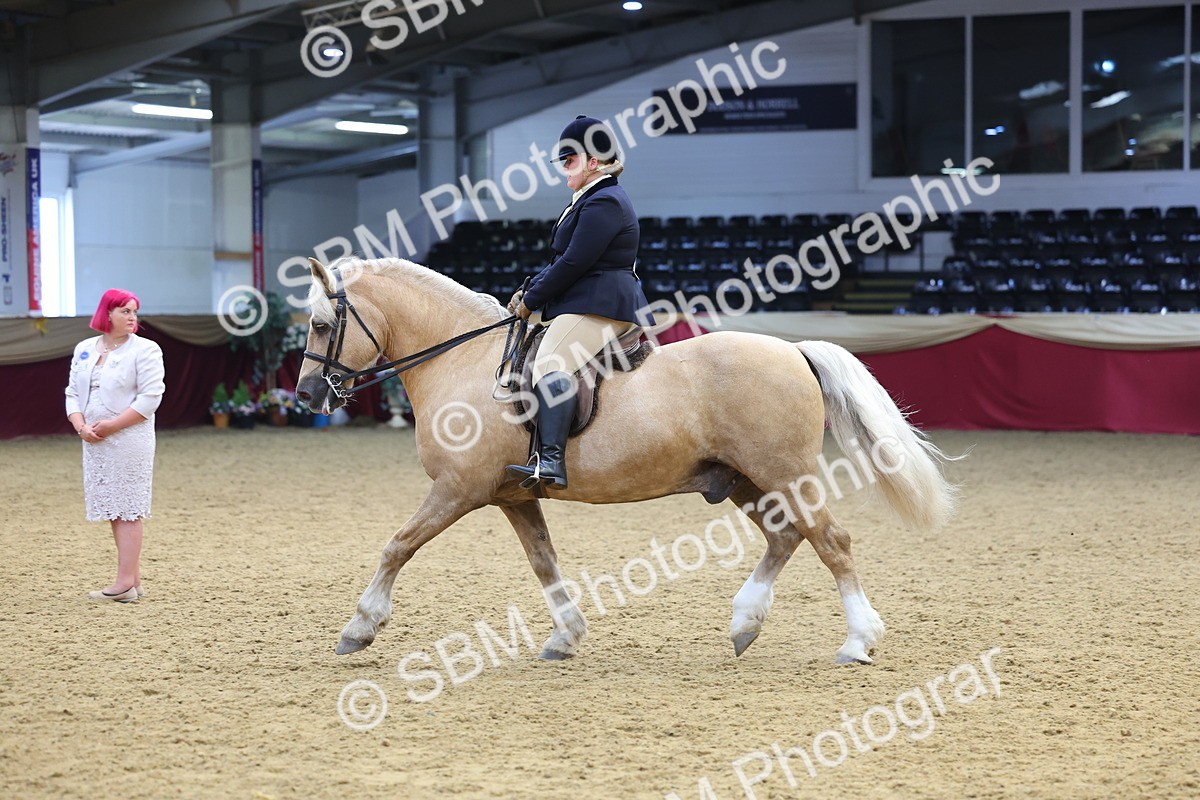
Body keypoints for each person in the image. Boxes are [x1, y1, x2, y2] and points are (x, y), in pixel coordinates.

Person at [505, 115, 650, 490]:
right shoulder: (588, 199)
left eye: (570, 160)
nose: (564, 168)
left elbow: (574, 261)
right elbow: (562, 259)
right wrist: (530, 289)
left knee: (551, 363)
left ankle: (552, 460)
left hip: (603, 304)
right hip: (590, 299)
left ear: (594, 161)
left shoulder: (605, 201)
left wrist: (534, 299)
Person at [65, 289, 166, 603]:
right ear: (107, 314)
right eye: (125, 311)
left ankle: (123, 584)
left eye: (134, 311)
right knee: (113, 507)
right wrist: (80, 425)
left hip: (128, 437)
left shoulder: (146, 349)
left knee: (129, 508)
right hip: (94, 439)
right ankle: (132, 580)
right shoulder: (84, 348)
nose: (132, 317)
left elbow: (150, 399)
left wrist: (111, 425)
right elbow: (71, 392)